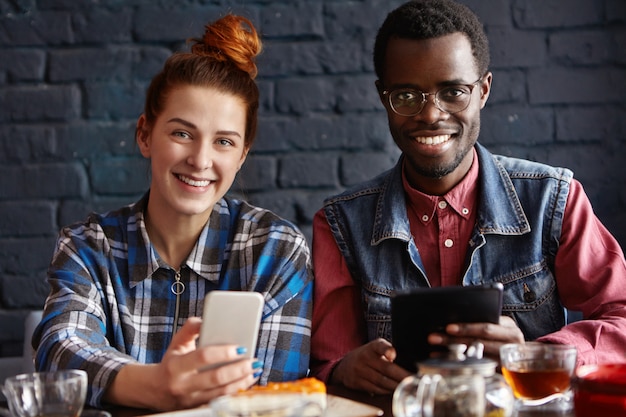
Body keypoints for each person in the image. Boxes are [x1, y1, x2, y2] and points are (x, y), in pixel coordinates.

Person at [310, 0, 626, 396]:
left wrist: (533, 355)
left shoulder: (552, 201)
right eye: (406, 96)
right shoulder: (341, 225)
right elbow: (326, 364)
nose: (430, 115)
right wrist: (342, 370)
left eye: (453, 91)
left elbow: (621, 317)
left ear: (483, 90)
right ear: (382, 97)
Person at [32, 14, 313, 411]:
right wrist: (157, 384)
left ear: (242, 155)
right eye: (182, 133)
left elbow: (271, 398)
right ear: (145, 134)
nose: (200, 160)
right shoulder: (87, 247)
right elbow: (60, 349)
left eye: (223, 142)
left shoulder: (276, 250)